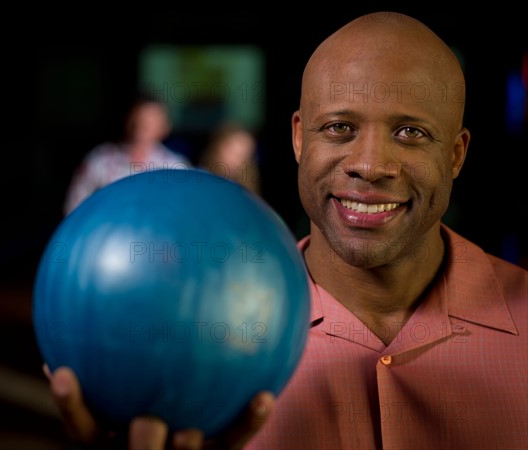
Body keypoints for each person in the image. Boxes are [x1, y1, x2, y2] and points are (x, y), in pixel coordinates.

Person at [45, 11, 528, 449]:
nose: (370, 165)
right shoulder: (181, 352)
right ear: (299, 138)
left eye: (411, 133)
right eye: (339, 127)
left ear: (457, 154)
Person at [63, 93, 191, 215]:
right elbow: (74, 205)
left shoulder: (175, 167)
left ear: (165, 127)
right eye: (138, 120)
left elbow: (186, 210)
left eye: (149, 123)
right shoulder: (100, 160)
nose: (140, 128)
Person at [198, 121, 262, 196]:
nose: (239, 160)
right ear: (219, 147)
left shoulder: (247, 190)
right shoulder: (200, 179)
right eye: (235, 153)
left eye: (245, 156)